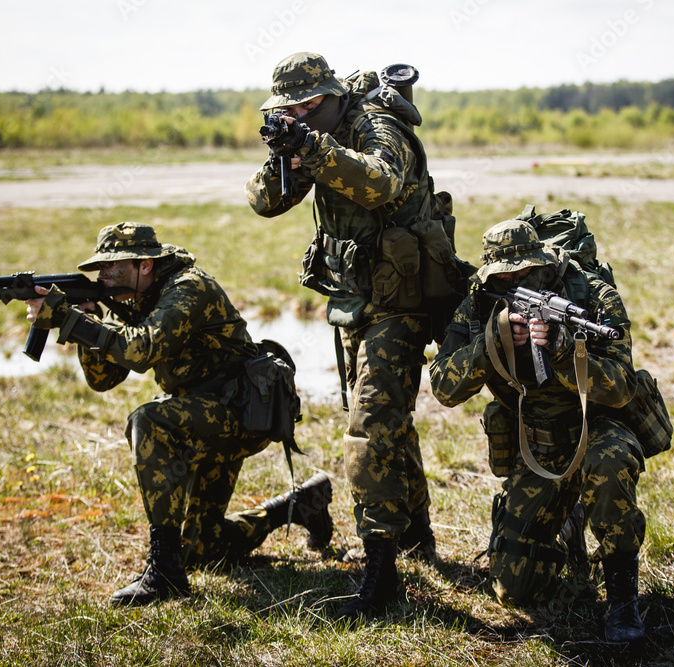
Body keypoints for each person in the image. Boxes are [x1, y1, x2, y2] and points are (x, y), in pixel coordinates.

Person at [24, 221, 333, 607]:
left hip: (242, 414)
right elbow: (104, 380)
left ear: (145, 265)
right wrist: (87, 322)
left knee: (148, 420)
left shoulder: (187, 288)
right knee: (204, 549)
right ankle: (299, 505)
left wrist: (71, 321)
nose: (102, 276)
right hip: (204, 417)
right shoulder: (134, 298)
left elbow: (141, 353)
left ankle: (164, 571)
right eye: (99, 270)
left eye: (110, 267)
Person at [245, 52, 445, 620]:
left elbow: (380, 184)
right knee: (384, 422)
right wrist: (286, 152)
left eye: (309, 105)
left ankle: (379, 572)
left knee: (368, 427)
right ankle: (414, 537)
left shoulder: (375, 125)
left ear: (332, 95)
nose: (302, 114)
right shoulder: (314, 135)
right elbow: (264, 202)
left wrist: (314, 150)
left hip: (401, 300)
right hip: (355, 299)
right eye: (291, 109)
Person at [428, 219, 647, 643]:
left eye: (526, 274)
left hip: (597, 430)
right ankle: (567, 523)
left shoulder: (592, 294)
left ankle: (622, 598)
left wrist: (566, 353)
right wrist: (491, 342)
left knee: (608, 460)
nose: (515, 282)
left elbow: (621, 387)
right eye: (505, 278)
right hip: (539, 445)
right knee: (514, 590)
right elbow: (444, 388)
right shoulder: (477, 305)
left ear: (543, 266)